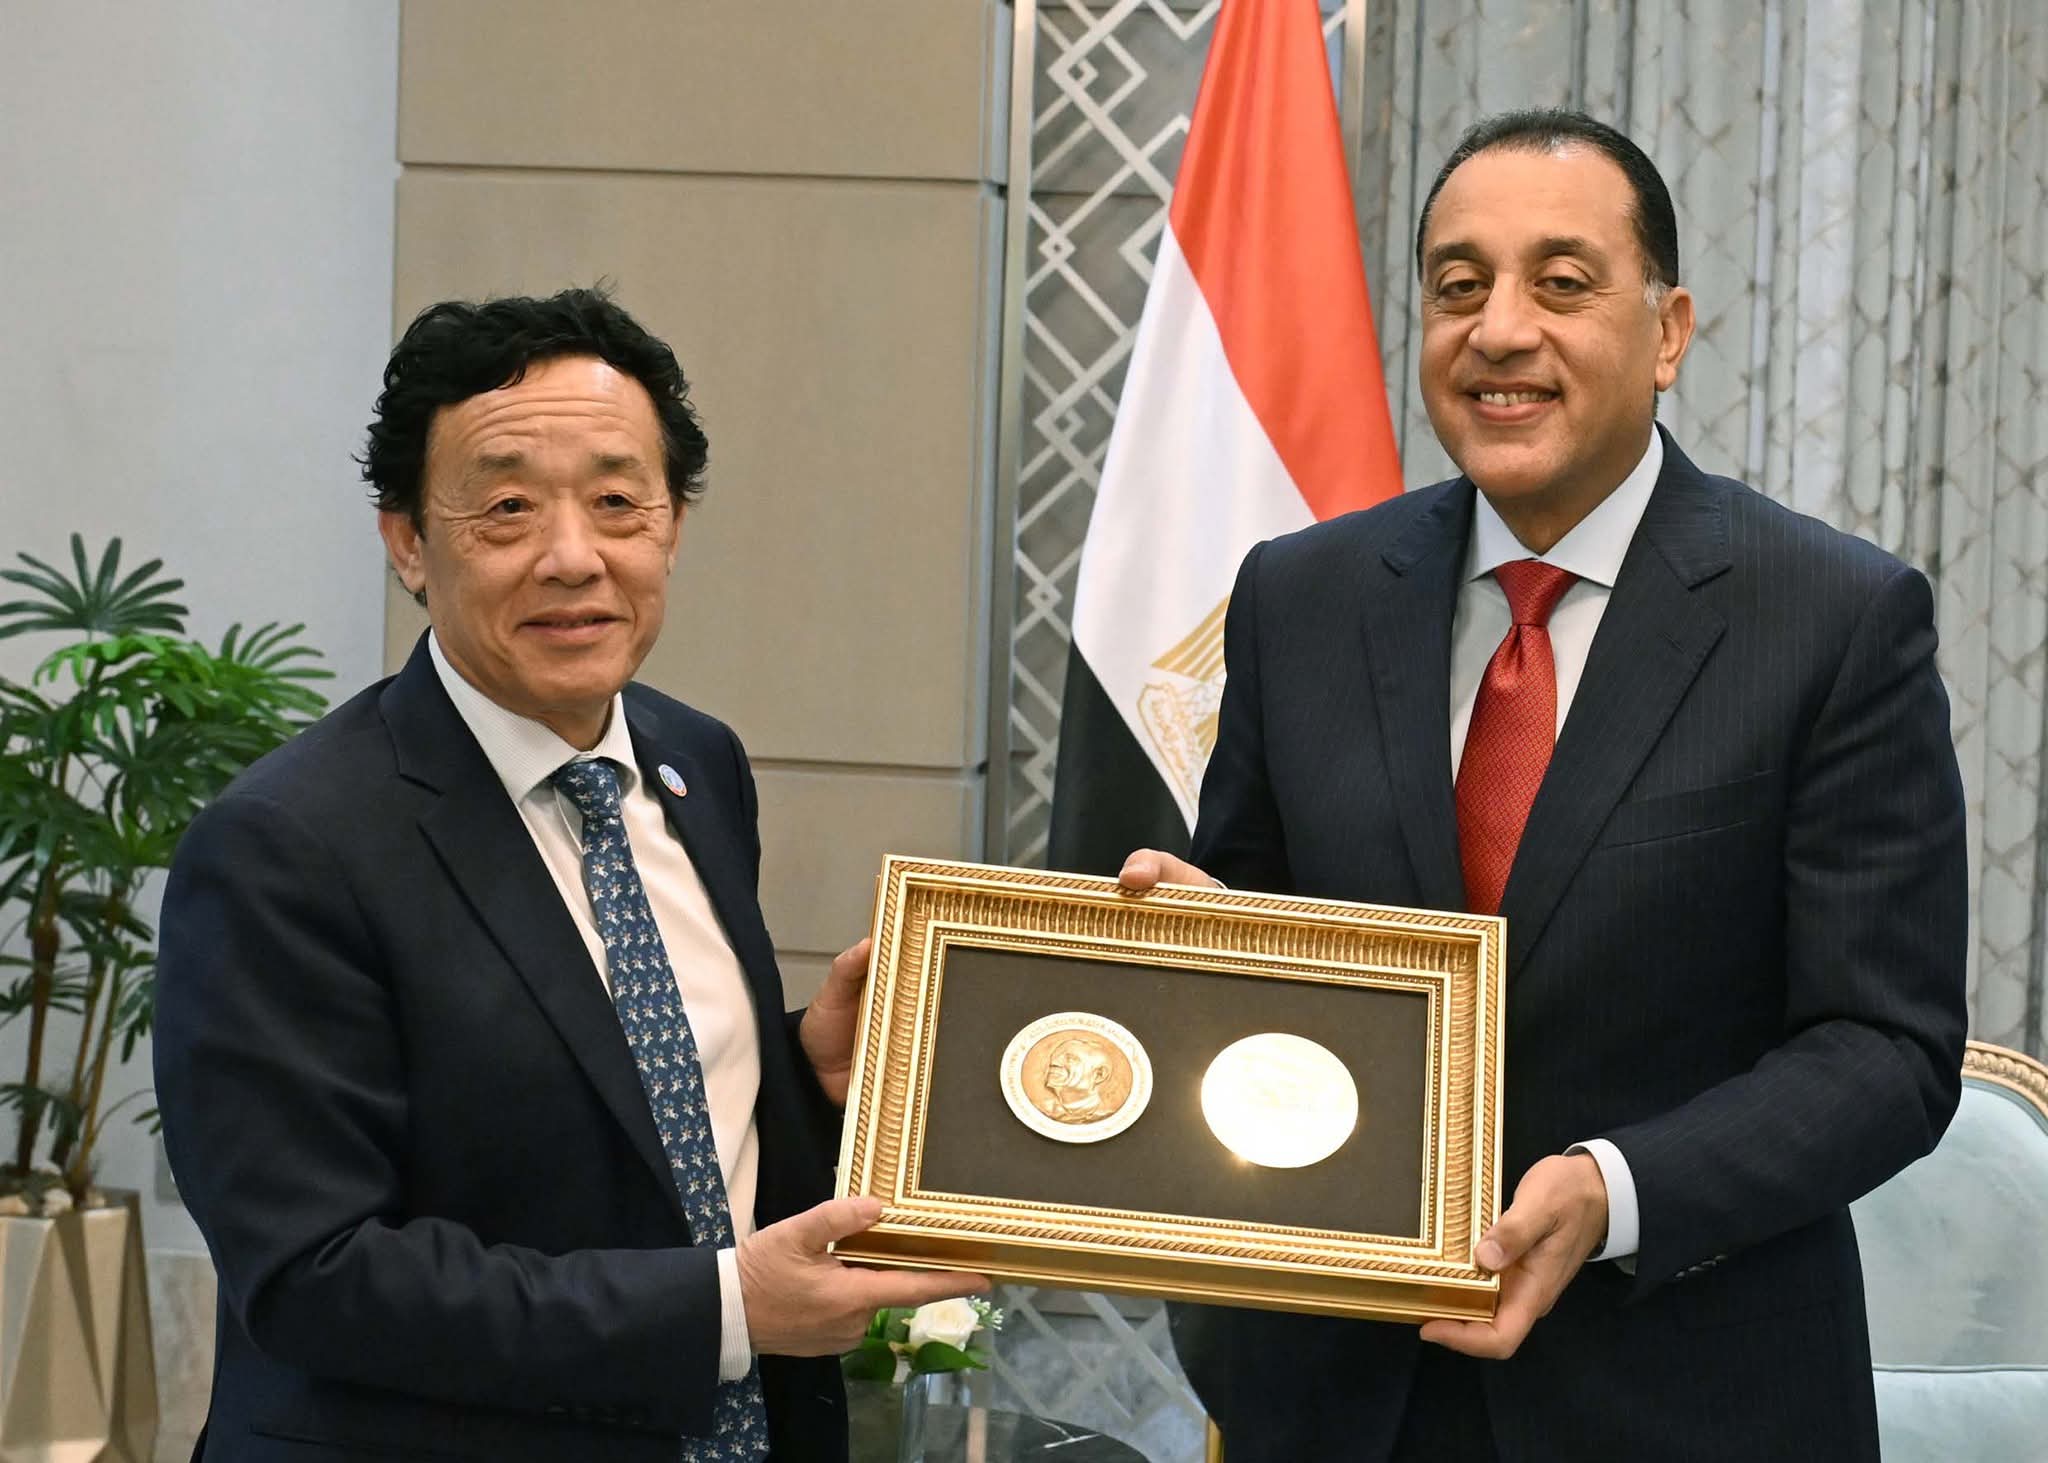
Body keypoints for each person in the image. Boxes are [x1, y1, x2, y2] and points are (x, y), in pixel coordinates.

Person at [1119, 111, 1968, 1461]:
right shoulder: (1302, 596)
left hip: (1682, 1395)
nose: (1499, 330)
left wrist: (1609, 1189)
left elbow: (1884, 1048)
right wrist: (1191, 950)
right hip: (1341, 1398)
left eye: (1561, 283)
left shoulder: (1832, 617)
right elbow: (1261, 937)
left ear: (1667, 331)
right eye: (1458, 286)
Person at [153, 288, 983, 1462]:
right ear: (407, 541)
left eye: (616, 502)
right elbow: (315, 1272)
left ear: (671, 524)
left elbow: (637, 1123)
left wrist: (803, 1069)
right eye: (506, 508)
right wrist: (727, 1308)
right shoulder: (285, 844)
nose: (572, 557)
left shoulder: (696, 760)